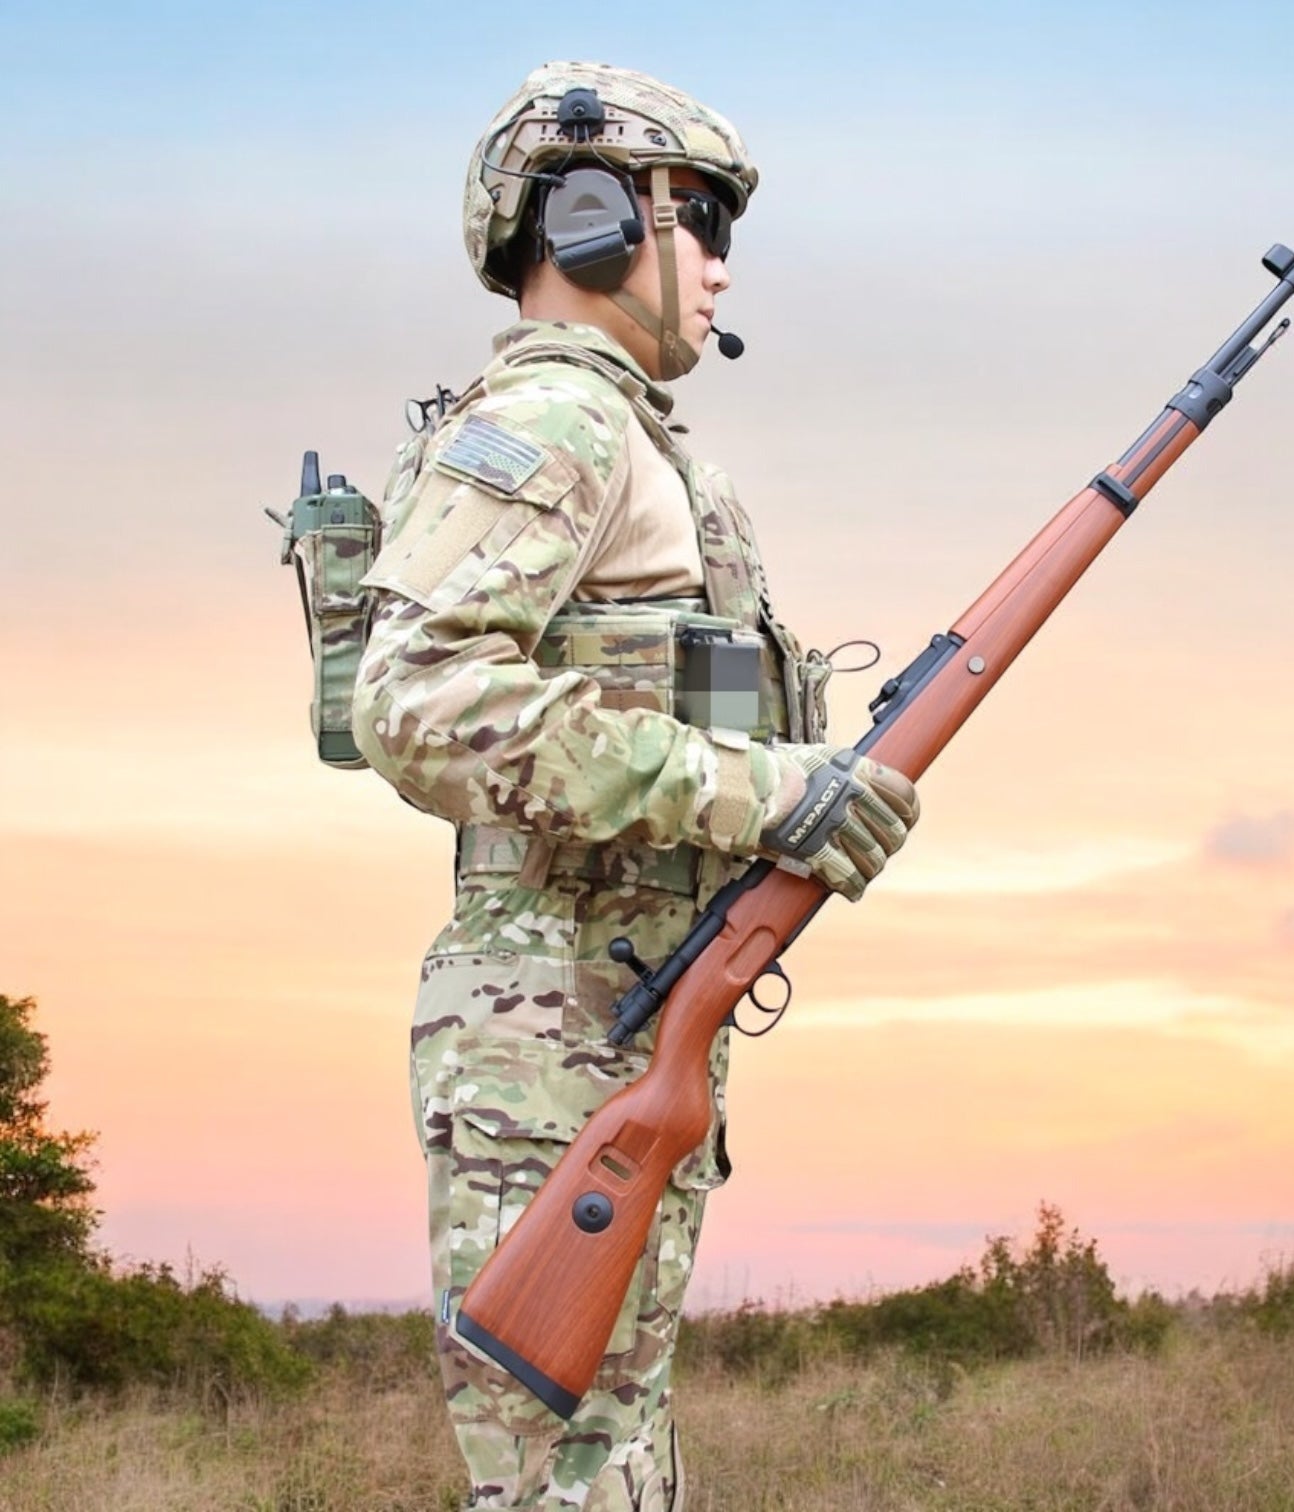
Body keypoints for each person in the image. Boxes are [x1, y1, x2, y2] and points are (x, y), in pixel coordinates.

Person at [351, 61, 919, 1511]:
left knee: (613, 1459)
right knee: (560, 1474)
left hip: (624, 1004)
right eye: (703, 219)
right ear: (594, 219)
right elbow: (417, 703)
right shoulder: (557, 426)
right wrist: (761, 795)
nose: (724, 265)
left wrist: (802, 793)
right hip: (551, 1021)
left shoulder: (658, 454)